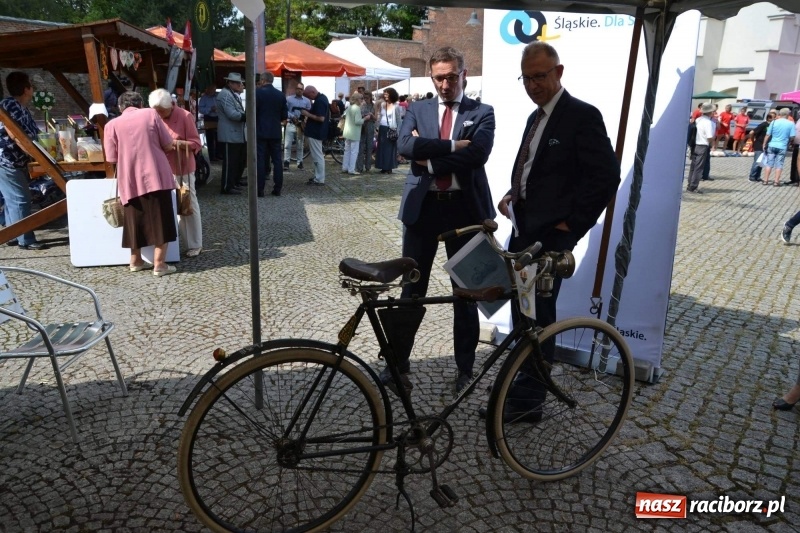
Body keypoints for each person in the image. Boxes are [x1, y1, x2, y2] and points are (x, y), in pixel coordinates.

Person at [487, 41, 619, 422]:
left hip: (550, 240)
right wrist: (516, 193)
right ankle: (517, 397)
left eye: (540, 76)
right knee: (522, 318)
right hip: (524, 229)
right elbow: (538, 169)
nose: (533, 85)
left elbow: (606, 176)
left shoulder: (582, 115)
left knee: (539, 321)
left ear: (559, 73)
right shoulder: (535, 116)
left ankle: (528, 404)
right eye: (527, 78)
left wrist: (572, 225)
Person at [390, 46, 496, 395]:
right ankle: (398, 362)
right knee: (411, 288)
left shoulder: (482, 112)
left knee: (466, 292)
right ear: (432, 77)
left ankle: (465, 368)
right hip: (424, 209)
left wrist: (429, 158)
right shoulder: (417, 108)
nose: (446, 83)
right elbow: (404, 147)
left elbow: (477, 155)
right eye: (439, 77)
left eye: (452, 76)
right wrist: (452, 148)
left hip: (464, 210)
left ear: (463, 74)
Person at [103, 91, 178, 276]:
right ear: (141, 103)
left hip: (129, 178)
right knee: (161, 218)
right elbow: (168, 144)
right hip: (156, 174)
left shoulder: (111, 125)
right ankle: (159, 264)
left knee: (133, 219)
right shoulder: (150, 114)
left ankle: (135, 261)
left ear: (120, 107)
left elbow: (111, 157)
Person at [149, 88, 203, 258]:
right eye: (156, 112)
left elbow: (196, 143)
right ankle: (169, 246)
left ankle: (194, 244)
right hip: (161, 168)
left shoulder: (185, 116)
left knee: (187, 204)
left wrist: (176, 143)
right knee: (167, 207)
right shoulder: (154, 115)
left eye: (162, 111)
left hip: (182, 168)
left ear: (170, 106)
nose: (159, 115)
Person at [0, 71, 47, 250]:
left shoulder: (18, 106)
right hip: (6, 160)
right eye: (31, 86)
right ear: (26, 89)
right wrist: (39, 157)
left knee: (13, 198)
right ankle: (25, 239)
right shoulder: (10, 105)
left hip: (13, 161)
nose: (33, 89)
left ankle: (12, 235)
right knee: (20, 199)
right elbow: (16, 135)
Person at [255, 72, 288, 197]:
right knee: (277, 160)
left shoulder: (257, 93)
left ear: (263, 80)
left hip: (260, 131)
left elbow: (251, 113)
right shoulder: (280, 95)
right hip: (275, 131)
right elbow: (284, 116)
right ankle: (277, 188)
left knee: (260, 160)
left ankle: (260, 189)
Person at [216, 73, 247, 195]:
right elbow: (232, 114)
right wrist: (247, 116)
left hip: (235, 134)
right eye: (239, 83)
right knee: (230, 162)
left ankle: (233, 182)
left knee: (237, 161)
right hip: (230, 134)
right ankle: (226, 186)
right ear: (231, 83)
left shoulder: (231, 95)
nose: (242, 85)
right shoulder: (226, 95)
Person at [300, 86, 329, 186]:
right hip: (317, 132)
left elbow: (321, 118)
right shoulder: (322, 98)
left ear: (312, 92)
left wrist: (307, 114)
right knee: (317, 155)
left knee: (317, 156)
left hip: (316, 132)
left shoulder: (320, 101)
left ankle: (319, 178)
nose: (309, 98)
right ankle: (318, 176)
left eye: (308, 96)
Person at [761, 107, 795, 187]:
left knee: (769, 163)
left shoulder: (774, 122)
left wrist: (764, 143)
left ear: (780, 114)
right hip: (782, 146)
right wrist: (788, 141)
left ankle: (765, 180)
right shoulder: (791, 124)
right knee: (779, 164)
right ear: (788, 114)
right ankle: (776, 181)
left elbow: (768, 134)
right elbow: (792, 136)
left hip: (772, 145)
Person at [686, 103, 715, 194]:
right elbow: (709, 137)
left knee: (693, 167)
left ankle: (690, 184)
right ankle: (693, 187)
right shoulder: (709, 123)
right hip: (703, 145)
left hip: (694, 145)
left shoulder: (698, 120)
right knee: (699, 167)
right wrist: (712, 143)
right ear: (710, 112)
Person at [283, 82, 311, 171]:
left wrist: (305, 119)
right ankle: (286, 162)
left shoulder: (307, 101)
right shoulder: (289, 99)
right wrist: (292, 116)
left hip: (301, 125)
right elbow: (285, 110)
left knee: (300, 145)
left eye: (301, 89)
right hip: (291, 123)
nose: (300, 90)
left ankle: (300, 162)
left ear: (303, 90)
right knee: (287, 144)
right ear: (296, 89)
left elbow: (309, 112)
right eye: (298, 89)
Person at [376, 87, 403, 174]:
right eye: (385, 94)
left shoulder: (396, 106)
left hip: (391, 129)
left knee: (389, 149)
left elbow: (399, 120)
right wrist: (376, 128)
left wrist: (398, 131)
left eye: (387, 94)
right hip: (382, 128)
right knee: (382, 148)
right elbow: (379, 117)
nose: (385, 96)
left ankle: (389, 167)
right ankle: (383, 166)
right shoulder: (383, 104)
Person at [341, 91, 365, 175]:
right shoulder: (357, 108)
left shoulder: (350, 107)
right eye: (361, 99)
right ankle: (351, 169)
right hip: (354, 133)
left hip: (347, 132)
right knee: (354, 151)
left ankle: (345, 167)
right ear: (358, 100)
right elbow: (358, 121)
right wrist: (365, 119)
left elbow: (344, 116)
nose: (362, 100)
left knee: (347, 151)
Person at [748, 111, 775, 182]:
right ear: (769, 118)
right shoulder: (764, 124)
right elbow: (752, 132)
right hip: (759, 145)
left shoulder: (772, 125)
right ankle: (752, 176)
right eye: (774, 118)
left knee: (761, 162)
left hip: (766, 146)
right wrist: (753, 140)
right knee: (757, 161)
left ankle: (758, 176)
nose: (775, 119)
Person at [198, 84, 220, 161]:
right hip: (209, 118)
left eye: (214, 90)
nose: (213, 91)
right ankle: (211, 156)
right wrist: (210, 109)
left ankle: (219, 154)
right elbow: (200, 109)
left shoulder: (218, 96)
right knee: (210, 138)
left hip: (218, 118)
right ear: (207, 90)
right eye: (212, 90)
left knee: (219, 137)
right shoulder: (204, 98)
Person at [356, 91, 376, 173]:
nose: (365, 99)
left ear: (370, 97)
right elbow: (358, 115)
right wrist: (364, 116)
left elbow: (375, 118)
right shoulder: (361, 105)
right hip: (362, 126)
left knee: (369, 146)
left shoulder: (374, 105)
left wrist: (371, 115)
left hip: (370, 126)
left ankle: (368, 166)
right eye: (364, 98)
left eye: (367, 98)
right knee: (361, 147)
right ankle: (359, 167)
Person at [786, 114, 800, 186]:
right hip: (796, 144)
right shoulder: (798, 120)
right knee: (794, 162)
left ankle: (797, 179)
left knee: (798, 162)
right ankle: (793, 179)